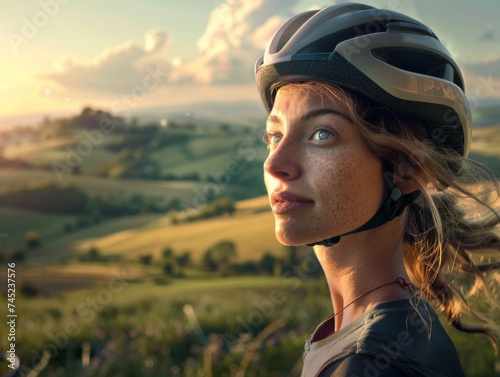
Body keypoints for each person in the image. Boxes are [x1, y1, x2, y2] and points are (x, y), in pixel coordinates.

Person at [254, 3, 500, 376]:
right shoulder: (390, 327)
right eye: (275, 135)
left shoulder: (375, 364)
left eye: (322, 134)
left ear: (405, 170)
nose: (275, 164)